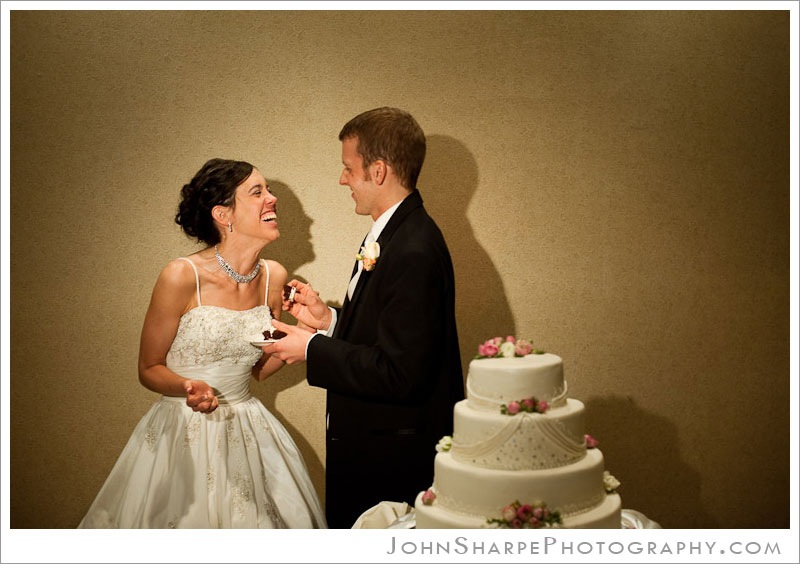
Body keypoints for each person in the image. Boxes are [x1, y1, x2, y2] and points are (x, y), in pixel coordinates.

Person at [78, 158, 326, 528]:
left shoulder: (274, 275)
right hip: (182, 432)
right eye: (257, 192)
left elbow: (259, 369)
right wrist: (187, 386)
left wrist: (310, 335)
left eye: (268, 191)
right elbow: (148, 368)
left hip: (249, 429)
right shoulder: (181, 275)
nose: (272, 199)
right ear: (223, 214)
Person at [266, 107, 464, 528]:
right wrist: (330, 322)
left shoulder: (413, 248)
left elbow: (400, 373)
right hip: (377, 449)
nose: (342, 180)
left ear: (378, 171)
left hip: (393, 462)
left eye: (347, 168)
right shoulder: (392, 234)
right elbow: (388, 336)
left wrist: (312, 348)